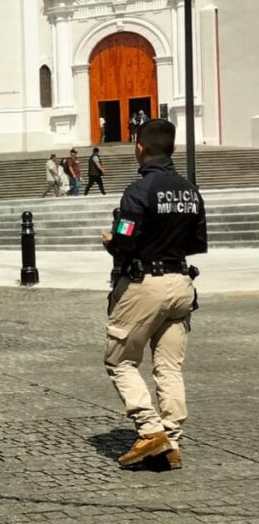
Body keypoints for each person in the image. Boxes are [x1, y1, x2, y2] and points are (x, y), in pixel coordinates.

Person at [102, 119, 207, 470]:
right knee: (169, 366)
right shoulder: (190, 191)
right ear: (173, 149)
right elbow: (197, 242)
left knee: (120, 360)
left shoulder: (137, 191)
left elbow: (124, 241)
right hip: (181, 284)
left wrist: (111, 243)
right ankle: (172, 440)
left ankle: (150, 430)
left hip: (146, 283)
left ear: (139, 147)